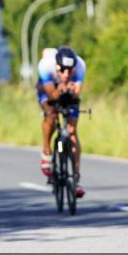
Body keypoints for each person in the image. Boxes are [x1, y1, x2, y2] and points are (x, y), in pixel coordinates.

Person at [37, 46, 86, 197]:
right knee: (51, 116)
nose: (66, 74)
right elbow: (52, 95)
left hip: (68, 93)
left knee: (72, 132)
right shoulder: (45, 66)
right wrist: (60, 90)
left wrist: (71, 91)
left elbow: (76, 93)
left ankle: (75, 179)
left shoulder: (80, 66)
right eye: (62, 70)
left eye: (69, 70)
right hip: (49, 90)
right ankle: (46, 152)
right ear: (56, 66)